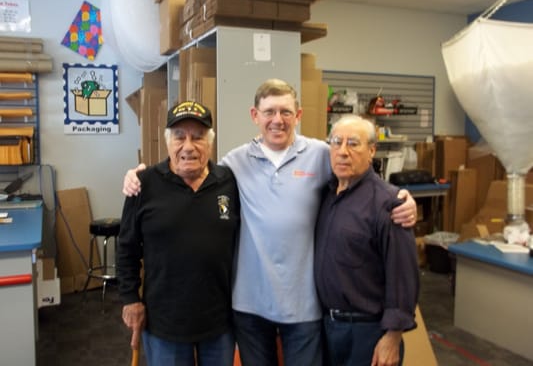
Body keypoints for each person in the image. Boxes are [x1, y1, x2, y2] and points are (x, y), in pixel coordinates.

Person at [122, 79, 417, 366]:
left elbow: (356, 170)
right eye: (269, 112)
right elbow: (181, 178)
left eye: (286, 112)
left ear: (298, 116)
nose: (278, 120)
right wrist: (136, 176)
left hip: (304, 307)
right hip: (248, 307)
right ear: (255, 116)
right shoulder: (233, 164)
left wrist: (400, 197)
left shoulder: (320, 154)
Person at [117, 101, 240, 366]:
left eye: (197, 137)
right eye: (179, 137)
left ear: (210, 143)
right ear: (167, 142)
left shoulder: (229, 182)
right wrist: (130, 299)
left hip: (219, 321)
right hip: (164, 323)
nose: (188, 146)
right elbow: (127, 247)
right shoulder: (144, 184)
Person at [314, 114, 419, 366]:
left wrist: (393, 336)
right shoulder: (325, 195)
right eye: (336, 142)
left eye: (353, 143)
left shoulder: (389, 204)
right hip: (328, 328)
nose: (342, 151)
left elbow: (403, 275)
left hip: (368, 332)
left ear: (372, 150)